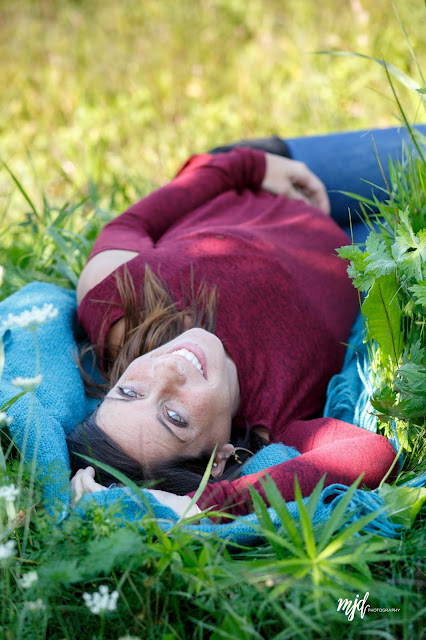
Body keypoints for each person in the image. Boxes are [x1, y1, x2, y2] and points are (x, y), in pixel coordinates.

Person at [67, 130, 405, 518]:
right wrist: (212, 505)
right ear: (220, 460)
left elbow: (143, 217)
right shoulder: (275, 422)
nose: (167, 371)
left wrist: (253, 163)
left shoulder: (113, 299)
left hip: (278, 184)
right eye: (175, 417)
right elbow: (371, 454)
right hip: (362, 253)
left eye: (129, 392)